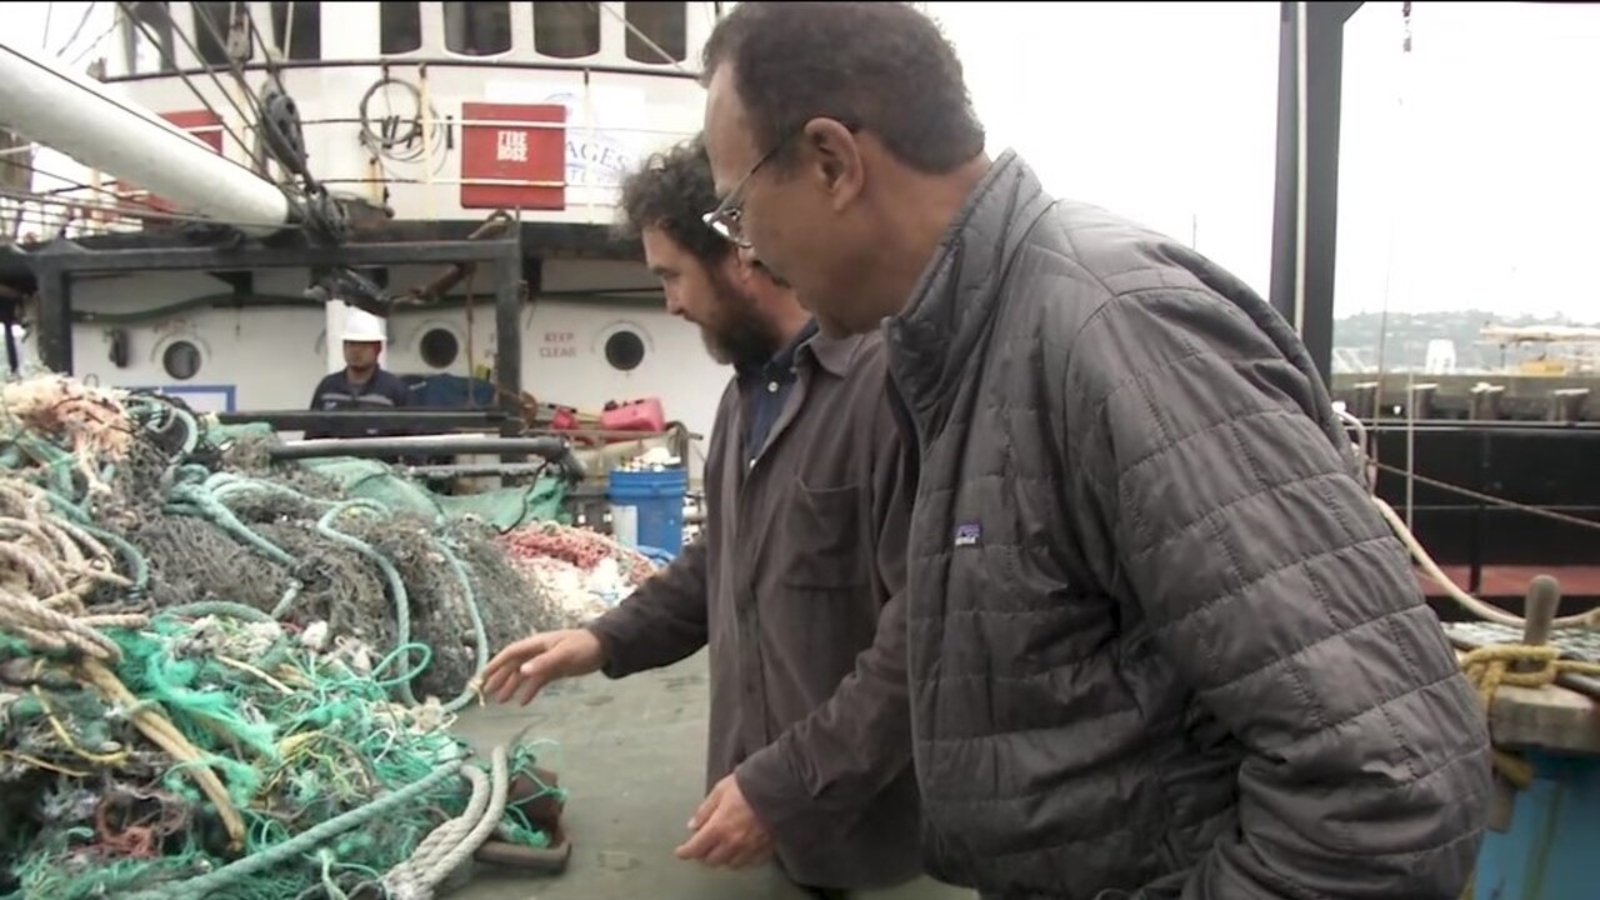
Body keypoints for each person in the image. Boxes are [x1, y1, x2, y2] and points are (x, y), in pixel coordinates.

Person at [696, 4, 1494, 900]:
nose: (748, 248)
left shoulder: (1115, 331)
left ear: (833, 163)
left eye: (737, 204)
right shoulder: (973, 345)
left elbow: (1390, 789)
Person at [480, 137, 967, 900]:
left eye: (673, 274)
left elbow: (927, 639)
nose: (670, 302)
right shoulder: (745, 399)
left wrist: (784, 786)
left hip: (875, 853)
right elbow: (722, 561)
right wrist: (602, 638)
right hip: (764, 824)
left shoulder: (886, 391)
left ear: (741, 253)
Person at [305, 308, 412, 441]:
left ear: (378, 349)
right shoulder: (328, 387)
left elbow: (409, 438)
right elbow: (311, 436)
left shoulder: (394, 389)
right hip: (334, 461)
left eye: (363, 345)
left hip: (378, 461)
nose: (356, 351)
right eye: (351, 344)